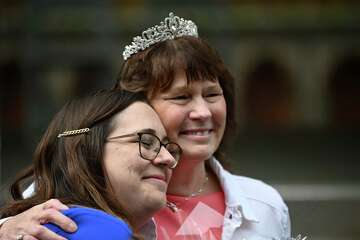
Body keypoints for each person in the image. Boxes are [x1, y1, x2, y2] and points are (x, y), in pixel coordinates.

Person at [0, 12, 291, 240]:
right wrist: (6, 228)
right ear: (137, 106)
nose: (202, 112)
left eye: (213, 94)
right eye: (181, 97)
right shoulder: (71, 188)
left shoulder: (264, 203)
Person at [0, 89, 182, 240]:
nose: (168, 159)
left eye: (167, 147)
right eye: (147, 142)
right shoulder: (101, 230)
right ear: (88, 149)